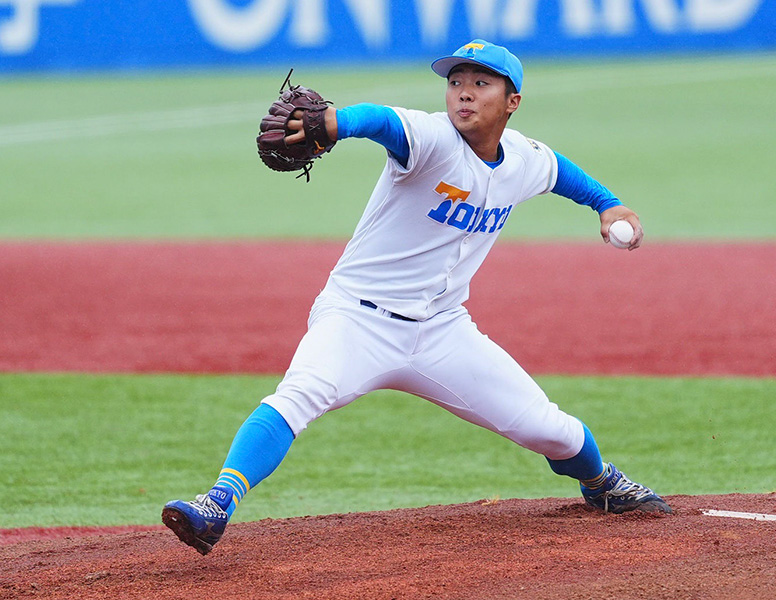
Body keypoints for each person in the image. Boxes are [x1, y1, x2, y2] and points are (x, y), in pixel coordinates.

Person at [162, 39, 671, 556]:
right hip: (357, 318)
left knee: (552, 430)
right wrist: (337, 121)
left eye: (480, 83)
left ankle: (602, 482)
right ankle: (216, 504)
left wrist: (608, 204)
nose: (463, 94)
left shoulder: (521, 159)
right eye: (455, 82)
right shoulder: (432, 138)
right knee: (299, 395)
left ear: (511, 101)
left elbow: (559, 171)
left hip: (443, 332)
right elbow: (382, 121)